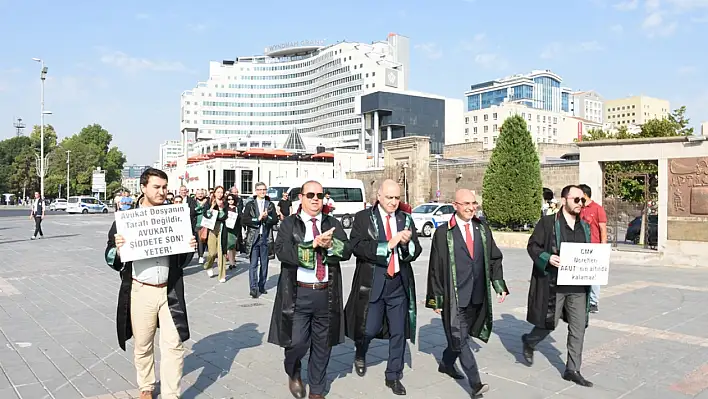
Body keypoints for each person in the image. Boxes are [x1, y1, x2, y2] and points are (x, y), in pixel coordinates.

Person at [104, 168, 197, 399]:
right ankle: (146, 386)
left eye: (165, 187)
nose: (162, 192)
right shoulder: (127, 220)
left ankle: (171, 394)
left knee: (174, 345)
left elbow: (182, 261)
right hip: (140, 290)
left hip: (169, 290)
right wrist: (117, 247)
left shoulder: (175, 218)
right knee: (143, 344)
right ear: (143, 188)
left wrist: (190, 246)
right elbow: (110, 258)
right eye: (156, 187)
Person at [268, 180, 351, 399]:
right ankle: (293, 370)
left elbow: (347, 251)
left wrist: (331, 245)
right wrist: (312, 245)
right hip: (298, 293)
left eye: (320, 195)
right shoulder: (289, 224)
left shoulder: (331, 223)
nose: (315, 199)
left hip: (326, 292)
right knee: (297, 342)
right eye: (310, 195)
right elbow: (282, 252)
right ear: (301, 198)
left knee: (323, 344)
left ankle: (317, 389)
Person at [426, 189, 509, 396]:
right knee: (461, 339)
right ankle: (476, 384)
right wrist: (436, 299)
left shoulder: (483, 229)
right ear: (455, 205)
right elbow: (435, 267)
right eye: (466, 204)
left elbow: (494, 258)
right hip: (454, 297)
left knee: (458, 339)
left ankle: (446, 363)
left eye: (474, 203)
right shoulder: (444, 233)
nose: (471, 207)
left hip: (477, 296)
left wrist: (498, 284)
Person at [345, 179, 422, 395]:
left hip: (398, 284)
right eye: (389, 197)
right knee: (368, 329)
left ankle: (393, 375)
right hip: (373, 283)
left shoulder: (405, 219)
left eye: (397, 198)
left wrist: (407, 244)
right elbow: (357, 247)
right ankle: (361, 351)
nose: (394, 202)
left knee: (399, 332)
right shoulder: (363, 218)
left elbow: (416, 251)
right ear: (379, 196)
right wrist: (387, 245)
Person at [522, 185, 594, 387]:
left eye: (583, 200)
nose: (580, 204)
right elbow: (532, 246)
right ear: (564, 200)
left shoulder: (585, 227)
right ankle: (530, 340)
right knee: (549, 323)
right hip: (554, 284)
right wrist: (547, 257)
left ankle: (572, 369)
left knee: (578, 327)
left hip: (578, 287)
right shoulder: (547, 223)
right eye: (576, 200)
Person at [242, 182, 278, 298]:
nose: (262, 192)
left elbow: (275, 220)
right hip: (254, 238)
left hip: (265, 238)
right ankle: (253, 288)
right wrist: (257, 219)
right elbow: (245, 220)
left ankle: (261, 285)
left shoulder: (270, 204)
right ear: (256, 191)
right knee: (253, 265)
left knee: (264, 264)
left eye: (264, 189)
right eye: (260, 189)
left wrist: (267, 218)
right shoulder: (250, 204)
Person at [578, 184, 607, 313]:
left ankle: (593, 302)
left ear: (584, 194)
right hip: (579, 246)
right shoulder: (579, 208)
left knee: (594, 276)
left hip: (594, 246)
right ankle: (580, 300)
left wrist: (603, 246)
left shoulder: (597, 209)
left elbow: (603, 229)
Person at [202, 186, 228, 283]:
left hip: (221, 228)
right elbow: (206, 215)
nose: (220, 194)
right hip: (211, 229)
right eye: (218, 192)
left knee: (221, 252)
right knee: (212, 253)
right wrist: (212, 207)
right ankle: (208, 265)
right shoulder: (209, 202)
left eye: (222, 192)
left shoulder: (225, 203)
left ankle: (222, 275)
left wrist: (221, 208)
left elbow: (224, 217)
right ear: (214, 193)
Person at [224, 193, 240, 269]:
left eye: (232, 199)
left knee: (233, 245)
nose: (230, 201)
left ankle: (233, 260)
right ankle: (231, 263)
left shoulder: (237, 208)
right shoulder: (225, 208)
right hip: (227, 228)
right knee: (230, 245)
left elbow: (240, 217)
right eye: (229, 199)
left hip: (235, 228)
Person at [194, 189, 209, 263]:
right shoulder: (193, 202)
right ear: (196, 194)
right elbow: (194, 211)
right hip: (197, 224)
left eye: (201, 193)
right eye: (198, 193)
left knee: (203, 241)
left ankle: (202, 254)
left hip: (205, 224)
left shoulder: (207, 201)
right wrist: (201, 205)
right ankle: (200, 255)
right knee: (198, 240)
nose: (200, 195)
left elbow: (207, 211)